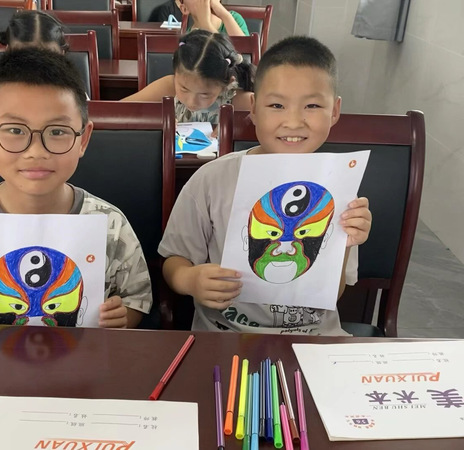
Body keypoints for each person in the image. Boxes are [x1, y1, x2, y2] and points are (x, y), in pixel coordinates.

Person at [0, 48, 152, 328]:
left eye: (57, 131)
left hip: (82, 356)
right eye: (15, 130)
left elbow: (136, 301)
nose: (36, 152)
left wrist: (122, 318)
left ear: (84, 139)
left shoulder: (111, 225)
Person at [158, 36, 373, 335]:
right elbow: (173, 260)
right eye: (276, 105)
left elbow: (332, 293)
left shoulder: (340, 192)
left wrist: (346, 243)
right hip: (224, 336)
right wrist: (190, 280)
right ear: (254, 108)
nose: (293, 121)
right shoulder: (212, 179)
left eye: (312, 105)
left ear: (334, 111)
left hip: (315, 340)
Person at [123, 30, 254, 127]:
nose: (192, 102)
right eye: (184, 89)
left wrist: (236, 128)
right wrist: (153, 123)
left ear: (226, 84)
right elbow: (117, 112)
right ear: (175, 73)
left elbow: (265, 121)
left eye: (205, 94)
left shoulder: (236, 99)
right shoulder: (168, 87)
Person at [177, 0, 248, 36]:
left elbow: (245, 55)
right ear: (184, 9)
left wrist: (225, 16)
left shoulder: (234, 18)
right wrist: (205, 24)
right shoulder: (189, 37)